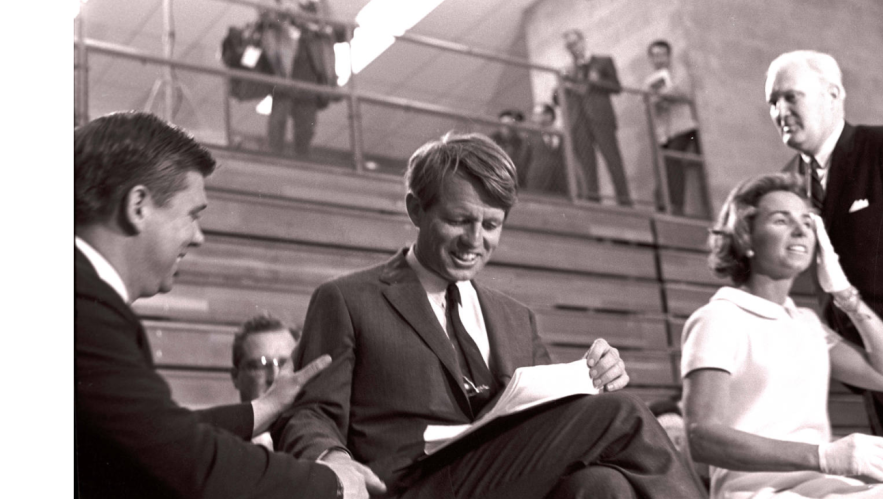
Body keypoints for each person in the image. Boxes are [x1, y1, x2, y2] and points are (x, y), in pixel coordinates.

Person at [273, 132, 707, 498]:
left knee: (603, 486)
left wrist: (595, 379)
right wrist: (331, 458)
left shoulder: (516, 318)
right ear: (415, 210)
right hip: (410, 486)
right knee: (622, 414)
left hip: (504, 481)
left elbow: (553, 416)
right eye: (460, 220)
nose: (474, 241)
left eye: (491, 225)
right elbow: (306, 413)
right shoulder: (348, 300)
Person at [74, 111, 377, 498]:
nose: (198, 237)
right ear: (138, 206)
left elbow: (154, 430)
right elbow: (185, 459)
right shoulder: (88, 308)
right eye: (192, 216)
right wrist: (333, 482)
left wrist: (262, 408)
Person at [681, 172, 883, 498]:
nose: (800, 230)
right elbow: (700, 437)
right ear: (746, 235)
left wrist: (844, 292)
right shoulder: (719, 318)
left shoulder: (805, 323)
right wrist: (823, 456)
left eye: (807, 222)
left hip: (821, 486)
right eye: (781, 220)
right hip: (757, 493)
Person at [766, 50, 883, 436]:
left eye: (790, 96)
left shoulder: (880, 148)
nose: (780, 111)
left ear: (833, 95)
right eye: (772, 101)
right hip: (871, 370)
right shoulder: (786, 184)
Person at [261, 0, 346, 157]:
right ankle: (273, 159)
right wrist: (284, 10)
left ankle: (302, 160)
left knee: (306, 124)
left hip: (312, 63)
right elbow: (265, 12)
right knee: (279, 116)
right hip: (287, 62)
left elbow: (334, 25)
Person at [554, 29, 631, 206]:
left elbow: (616, 87)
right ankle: (594, 203)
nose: (573, 48)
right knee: (588, 167)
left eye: (575, 43)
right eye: (568, 46)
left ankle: (625, 201)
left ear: (583, 41)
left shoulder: (603, 61)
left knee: (613, 160)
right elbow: (557, 100)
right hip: (578, 121)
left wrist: (595, 81)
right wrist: (563, 85)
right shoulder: (566, 70)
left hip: (601, 117)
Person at [644, 40, 702, 216]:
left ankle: (677, 207)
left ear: (669, 56)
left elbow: (685, 91)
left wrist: (662, 94)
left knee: (673, 161)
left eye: (662, 54)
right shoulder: (649, 80)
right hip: (665, 133)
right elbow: (648, 103)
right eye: (655, 55)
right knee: (666, 166)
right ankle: (671, 206)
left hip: (686, 128)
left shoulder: (679, 72)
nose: (659, 59)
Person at [231, 313, 301, 449]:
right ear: (235, 377)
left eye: (285, 364)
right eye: (260, 366)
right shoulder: (216, 449)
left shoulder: (324, 447)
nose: (275, 377)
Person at [525, 102, 568, 196]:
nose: (534, 117)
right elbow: (524, 159)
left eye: (538, 114)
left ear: (549, 116)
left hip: (561, 183)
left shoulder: (562, 135)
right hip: (538, 181)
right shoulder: (531, 136)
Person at [488, 109, 531, 188]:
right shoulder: (493, 139)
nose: (509, 127)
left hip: (515, 179)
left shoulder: (520, 142)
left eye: (513, 124)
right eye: (507, 124)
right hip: (495, 177)